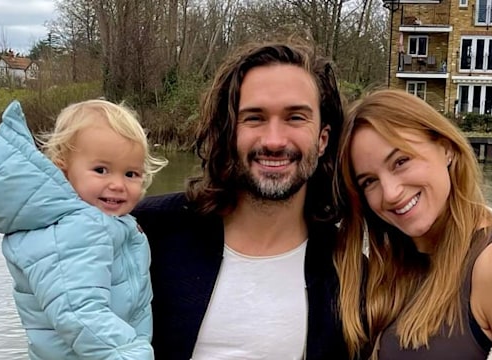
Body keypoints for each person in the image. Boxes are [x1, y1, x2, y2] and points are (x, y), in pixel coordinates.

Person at [131, 41, 350, 359]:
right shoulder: (145, 233)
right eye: (254, 118)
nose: (274, 141)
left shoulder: (348, 267)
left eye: (295, 118)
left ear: (322, 140)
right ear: (229, 133)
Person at [334, 89, 492, 359]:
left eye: (401, 161)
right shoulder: (396, 268)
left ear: (447, 149)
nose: (390, 192)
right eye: (369, 181)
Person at [0, 99, 167, 359]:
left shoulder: (105, 223)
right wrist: (130, 354)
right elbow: (77, 313)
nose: (118, 184)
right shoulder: (75, 230)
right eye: (101, 170)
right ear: (63, 169)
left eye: (131, 174)